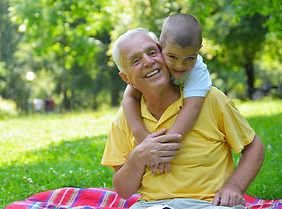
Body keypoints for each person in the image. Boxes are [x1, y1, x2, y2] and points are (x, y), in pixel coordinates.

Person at [101, 28, 265, 209]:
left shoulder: (210, 99)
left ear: (165, 54)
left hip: (208, 204)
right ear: (126, 78)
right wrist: (138, 157)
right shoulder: (125, 118)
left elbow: (253, 147)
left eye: (152, 52)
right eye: (136, 60)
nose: (148, 62)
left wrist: (234, 187)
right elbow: (124, 190)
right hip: (153, 206)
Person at [121, 14, 211, 175]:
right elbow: (129, 97)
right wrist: (142, 137)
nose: (180, 65)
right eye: (172, 57)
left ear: (199, 49)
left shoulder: (197, 71)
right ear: (160, 46)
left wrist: (163, 150)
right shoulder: (155, 63)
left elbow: (192, 108)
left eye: (190, 58)